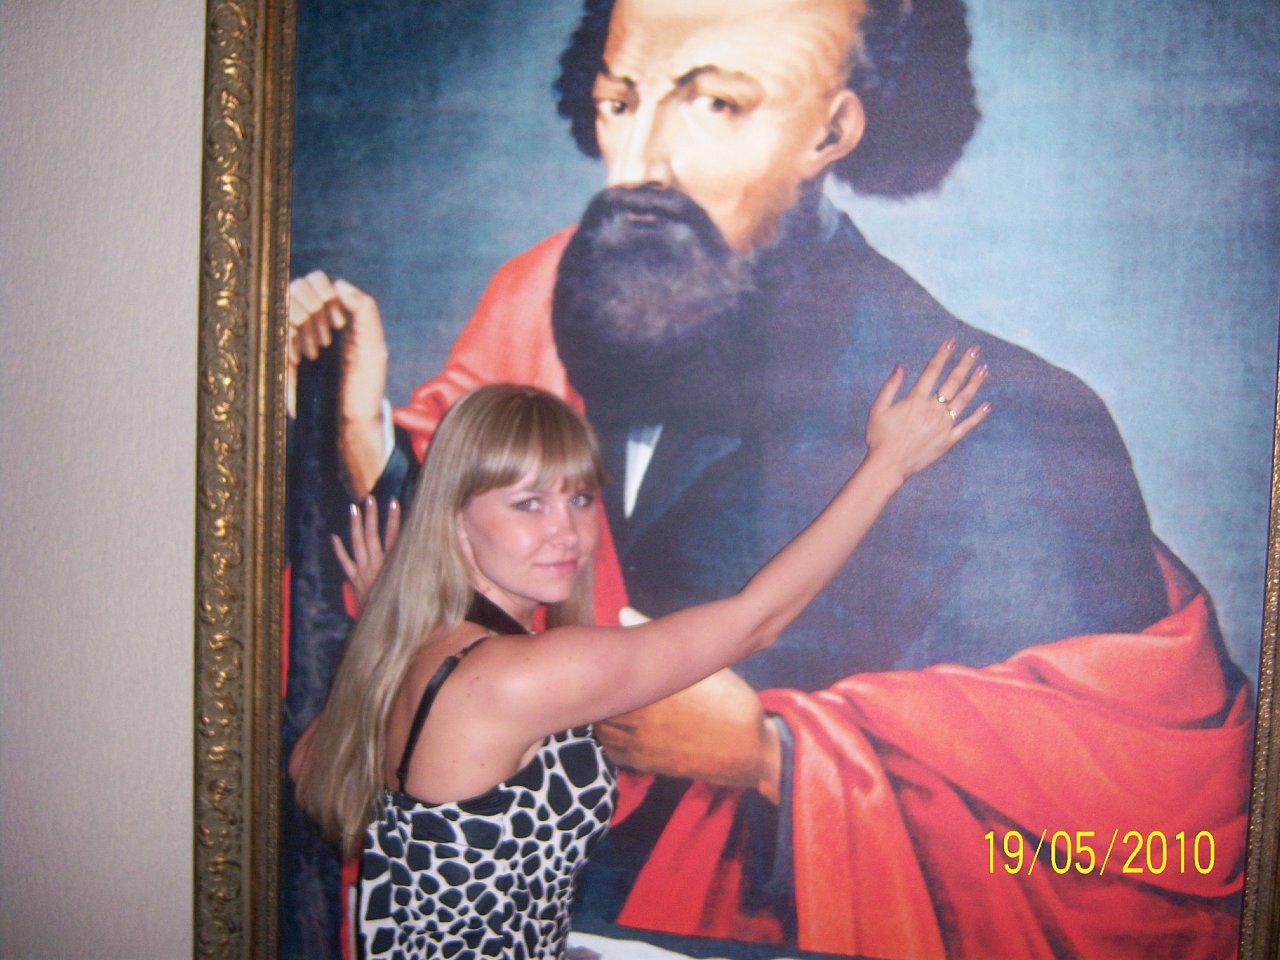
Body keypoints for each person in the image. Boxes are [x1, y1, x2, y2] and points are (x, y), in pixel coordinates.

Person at [286, 0, 1253, 955]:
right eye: (621, 101)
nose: (643, 162)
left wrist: (776, 755)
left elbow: (1145, 804)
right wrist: (359, 436)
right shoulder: (545, 305)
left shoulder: (1015, 424)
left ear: (831, 132)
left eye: (718, 105)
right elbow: (735, 616)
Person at [289, 353, 990, 959]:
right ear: (455, 520)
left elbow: (309, 766)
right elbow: (757, 622)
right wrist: (887, 466)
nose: (566, 532)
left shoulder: (423, 651)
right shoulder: (518, 676)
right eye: (528, 504)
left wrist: (387, 622)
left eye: (579, 498)